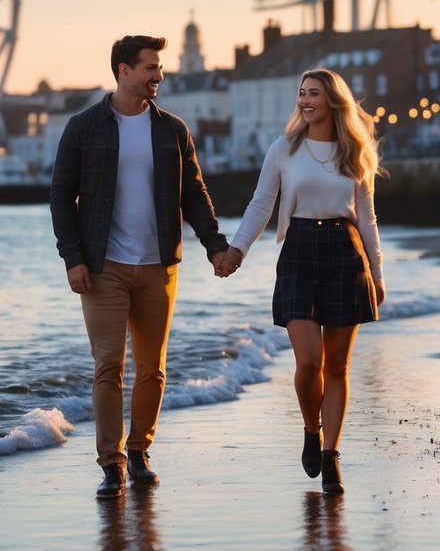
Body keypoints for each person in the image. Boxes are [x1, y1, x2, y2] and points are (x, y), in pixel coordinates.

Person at [50, 34, 230, 499]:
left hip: (158, 265)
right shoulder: (84, 126)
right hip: (102, 266)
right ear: (124, 70)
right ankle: (111, 463)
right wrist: (74, 258)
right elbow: (60, 196)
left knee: (153, 368)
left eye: (159, 67)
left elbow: (194, 193)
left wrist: (215, 246)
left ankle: (140, 451)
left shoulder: (172, 129)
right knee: (108, 365)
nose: (159, 75)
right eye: (150, 67)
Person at [218, 67, 386, 495]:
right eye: (301, 94)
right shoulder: (284, 149)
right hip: (298, 253)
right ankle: (311, 429)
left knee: (338, 366)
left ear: (333, 101)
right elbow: (260, 206)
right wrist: (237, 250)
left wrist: (378, 273)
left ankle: (331, 454)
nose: (305, 101)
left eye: (313, 94)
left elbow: (366, 219)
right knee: (308, 361)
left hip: (346, 255)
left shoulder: (355, 154)